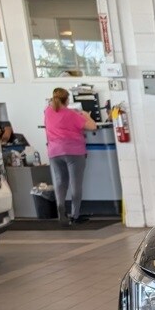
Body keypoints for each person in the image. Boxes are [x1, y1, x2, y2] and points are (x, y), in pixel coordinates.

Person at [43, 87, 96, 225]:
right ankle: (75, 215)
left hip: (54, 151)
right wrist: (86, 115)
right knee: (75, 183)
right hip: (74, 151)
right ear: (67, 100)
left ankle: (61, 211)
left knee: (60, 182)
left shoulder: (47, 111)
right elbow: (93, 126)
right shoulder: (72, 114)